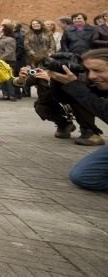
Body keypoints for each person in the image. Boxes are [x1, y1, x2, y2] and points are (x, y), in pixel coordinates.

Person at [45, 49, 108, 190]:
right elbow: (64, 99)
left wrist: (75, 86)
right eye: (87, 70)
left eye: (98, 70)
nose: (92, 76)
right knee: (84, 176)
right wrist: (59, 81)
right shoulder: (97, 84)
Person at [0, 23, 18, 101]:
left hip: (8, 61)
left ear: (6, 29)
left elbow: (9, 52)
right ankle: (5, 95)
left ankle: (12, 95)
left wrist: (0, 59)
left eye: (1, 27)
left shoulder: (10, 39)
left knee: (9, 79)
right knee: (1, 78)